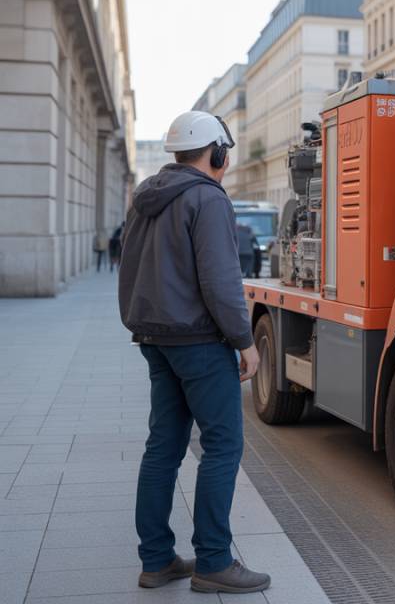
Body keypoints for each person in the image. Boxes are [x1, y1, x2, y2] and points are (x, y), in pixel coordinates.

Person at [118, 110, 271, 593]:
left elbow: (127, 269)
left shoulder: (145, 199)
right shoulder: (207, 199)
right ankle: (214, 561)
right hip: (201, 342)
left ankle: (157, 560)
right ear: (217, 153)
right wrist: (246, 343)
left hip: (156, 338)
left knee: (162, 447)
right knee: (223, 445)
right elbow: (221, 281)